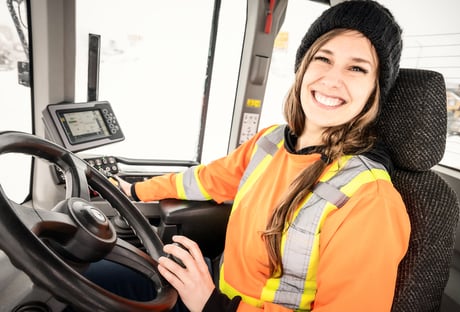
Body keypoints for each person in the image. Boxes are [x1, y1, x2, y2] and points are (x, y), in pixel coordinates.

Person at [116, 0, 410, 311]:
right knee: (92, 277)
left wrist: (213, 304)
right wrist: (135, 190)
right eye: (323, 58)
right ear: (303, 66)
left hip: (212, 304)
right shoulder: (270, 141)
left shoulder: (371, 200)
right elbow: (206, 179)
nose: (332, 79)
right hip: (209, 289)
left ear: (374, 90)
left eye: (356, 68)